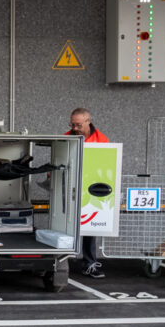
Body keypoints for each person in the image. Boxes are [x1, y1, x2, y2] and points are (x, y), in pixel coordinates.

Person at [67, 107, 109, 278]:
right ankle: (63, 262)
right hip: (71, 187)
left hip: (92, 189)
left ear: (88, 121)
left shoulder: (102, 140)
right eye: (72, 124)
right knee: (67, 226)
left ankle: (89, 263)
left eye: (77, 124)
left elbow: (107, 165)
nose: (74, 128)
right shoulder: (67, 136)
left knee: (90, 228)